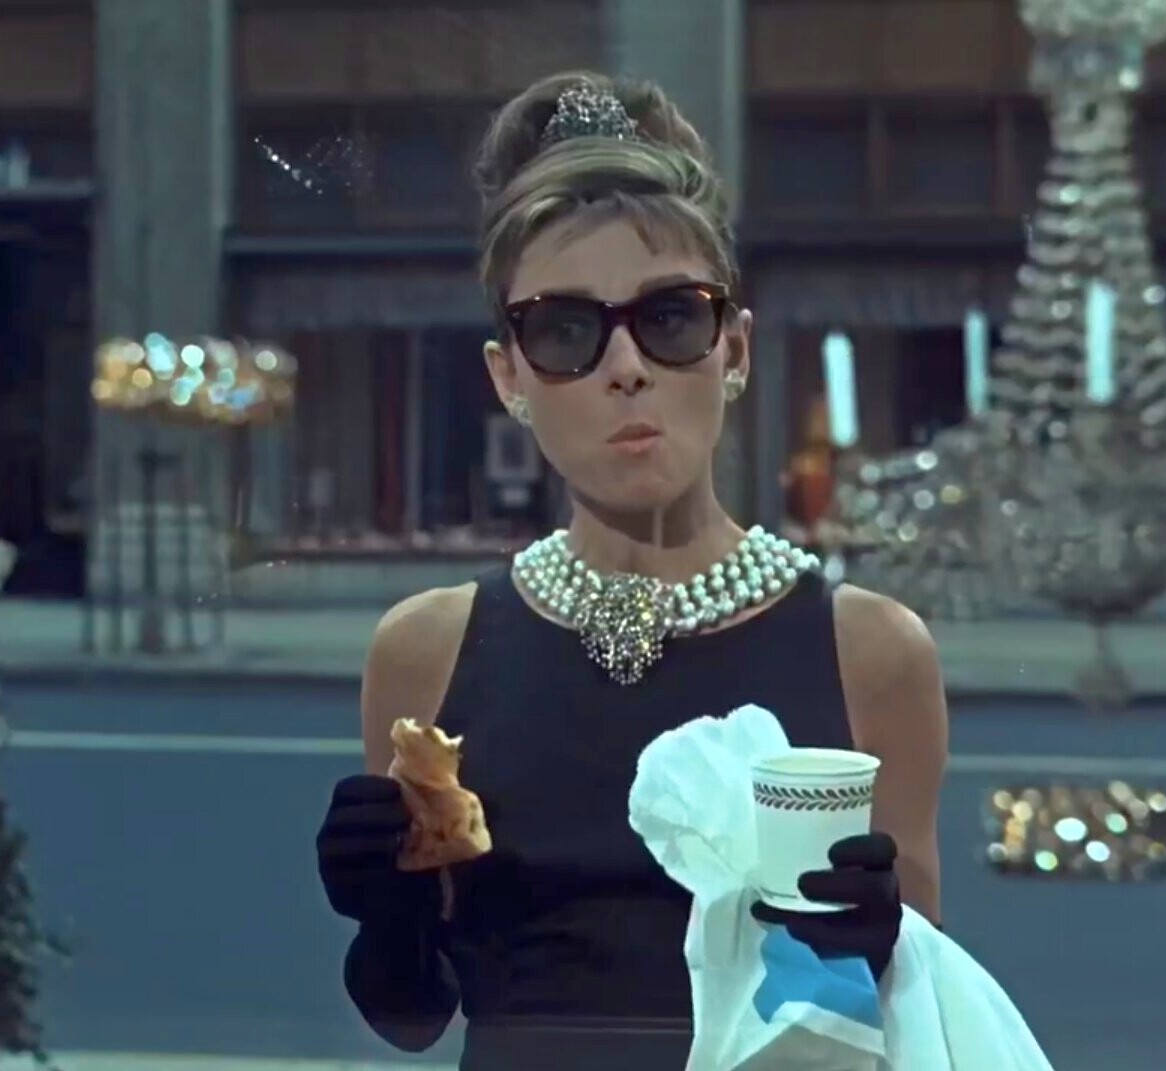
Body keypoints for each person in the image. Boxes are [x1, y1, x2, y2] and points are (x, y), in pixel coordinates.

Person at [314, 70, 948, 1071]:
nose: (626, 368)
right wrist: (386, 915)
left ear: (733, 350)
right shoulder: (425, 648)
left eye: (670, 318)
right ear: (508, 376)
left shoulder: (871, 650)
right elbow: (411, 1017)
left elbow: (918, 1011)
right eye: (566, 331)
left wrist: (879, 942)